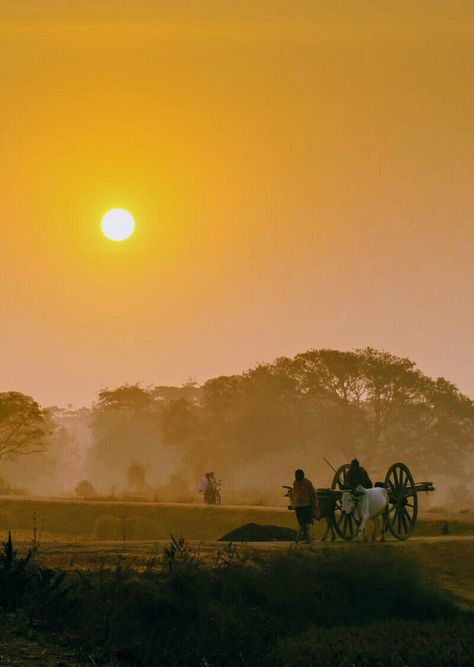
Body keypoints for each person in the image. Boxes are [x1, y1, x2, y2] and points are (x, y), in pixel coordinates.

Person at [290, 469, 320, 543]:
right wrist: (292, 502)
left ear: (302, 476)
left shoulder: (307, 482)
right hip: (298, 506)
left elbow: (312, 493)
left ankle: (301, 538)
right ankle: (304, 538)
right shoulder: (295, 483)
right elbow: (294, 493)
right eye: (295, 475)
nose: (296, 477)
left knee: (304, 524)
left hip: (306, 505)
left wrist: (315, 504)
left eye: (297, 475)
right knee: (301, 523)